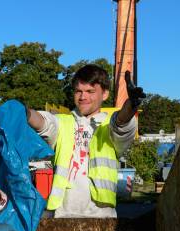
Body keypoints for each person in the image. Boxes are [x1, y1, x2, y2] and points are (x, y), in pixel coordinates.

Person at [26, 64, 145, 218]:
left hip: (102, 217)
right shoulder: (63, 122)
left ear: (105, 94)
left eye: (90, 91)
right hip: (63, 215)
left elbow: (121, 122)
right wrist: (24, 112)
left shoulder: (110, 125)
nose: (83, 97)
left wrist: (131, 104)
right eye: (78, 91)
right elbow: (44, 123)